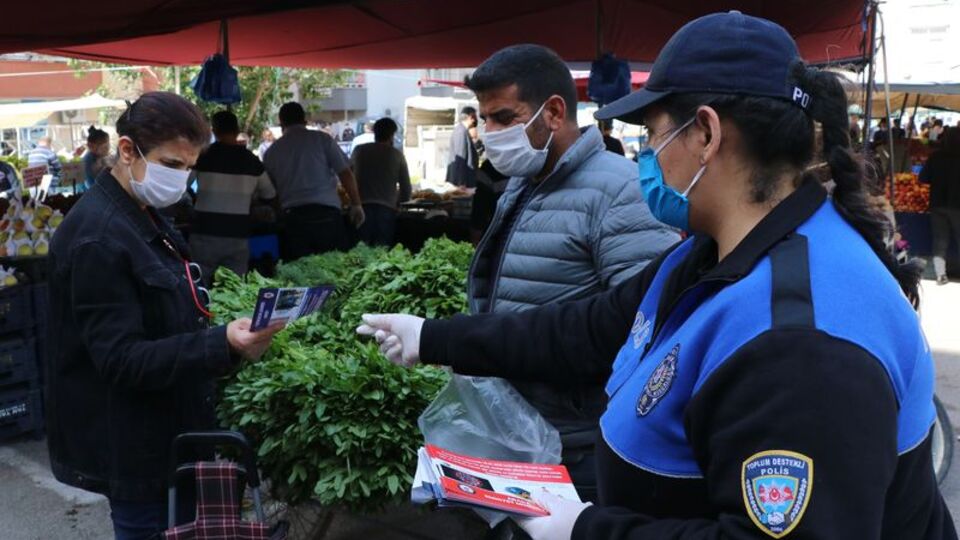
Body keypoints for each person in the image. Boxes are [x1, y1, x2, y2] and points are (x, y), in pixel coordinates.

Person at [358, 12, 956, 540]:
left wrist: (586, 528)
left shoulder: (800, 341)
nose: (644, 156)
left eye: (651, 136)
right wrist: (431, 338)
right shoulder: (708, 254)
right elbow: (587, 328)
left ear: (704, 134)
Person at [45, 92, 283, 540]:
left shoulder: (145, 214)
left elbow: (166, 319)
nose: (181, 179)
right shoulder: (97, 237)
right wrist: (221, 343)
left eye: (190, 168)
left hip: (172, 434)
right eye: (172, 165)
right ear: (128, 150)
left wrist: (226, 341)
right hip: (137, 449)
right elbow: (121, 360)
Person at [455, 44, 682, 506]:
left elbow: (641, 334)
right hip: (523, 432)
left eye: (504, 118)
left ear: (554, 112)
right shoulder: (521, 185)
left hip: (579, 445)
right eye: (486, 121)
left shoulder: (620, 193)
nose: (490, 134)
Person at [262, 102, 364, 260]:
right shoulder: (322, 140)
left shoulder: (272, 152)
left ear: (281, 122)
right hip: (327, 216)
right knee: (335, 271)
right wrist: (356, 204)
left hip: (294, 220)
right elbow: (345, 173)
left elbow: (271, 192)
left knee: (300, 277)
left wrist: (279, 213)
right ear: (304, 120)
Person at [190, 110, 277, 284]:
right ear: (237, 130)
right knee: (234, 289)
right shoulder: (252, 162)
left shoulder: (203, 157)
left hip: (204, 232)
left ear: (214, 130)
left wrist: (194, 199)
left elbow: (181, 187)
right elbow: (270, 195)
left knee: (201, 286)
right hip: (237, 235)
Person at [351, 117, 411, 246]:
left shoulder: (359, 151)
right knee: (382, 257)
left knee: (361, 254)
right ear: (392, 135)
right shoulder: (397, 155)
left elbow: (348, 178)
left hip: (361, 208)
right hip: (387, 210)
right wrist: (399, 202)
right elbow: (406, 190)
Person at [921, 127, 960, 285]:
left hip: (937, 204)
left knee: (940, 240)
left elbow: (923, 178)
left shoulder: (935, 156)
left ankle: (940, 274)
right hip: (958, 206)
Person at [446, 106, 479, 187]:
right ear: (471, 116)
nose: (476, 119)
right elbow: (460, 158)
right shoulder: (461, 131)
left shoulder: (463, 131)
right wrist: (461, 183)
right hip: (461, 183)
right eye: (475, 116)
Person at [82, 126, 110, 190]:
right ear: (91, 146)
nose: (108, 149)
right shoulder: (89, 160)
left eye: (108, 145)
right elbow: (92, 185)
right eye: (105, 147)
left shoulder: (100, 157)